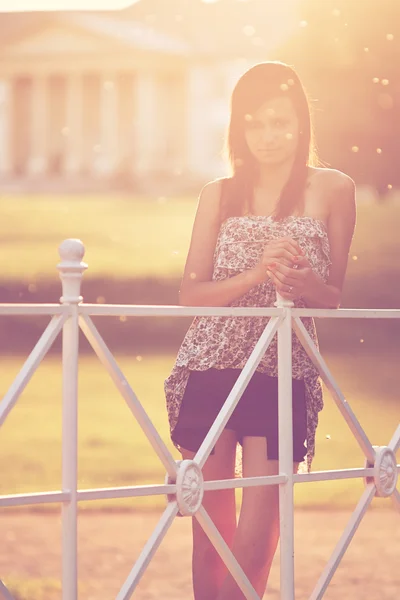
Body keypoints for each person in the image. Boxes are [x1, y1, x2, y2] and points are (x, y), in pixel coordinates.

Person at [164, 61, 356, 600]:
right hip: (209, 365)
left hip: (282, 368)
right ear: (237, 129)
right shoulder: (218, 194)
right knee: (210, 532)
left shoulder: (334, 189)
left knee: (258, 534)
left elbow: (333, 296)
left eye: (279, 122)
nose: (267, 136)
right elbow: (191, 294)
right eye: (254, 124)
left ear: (301, 124)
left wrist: (302, 281)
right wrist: (255, 274)